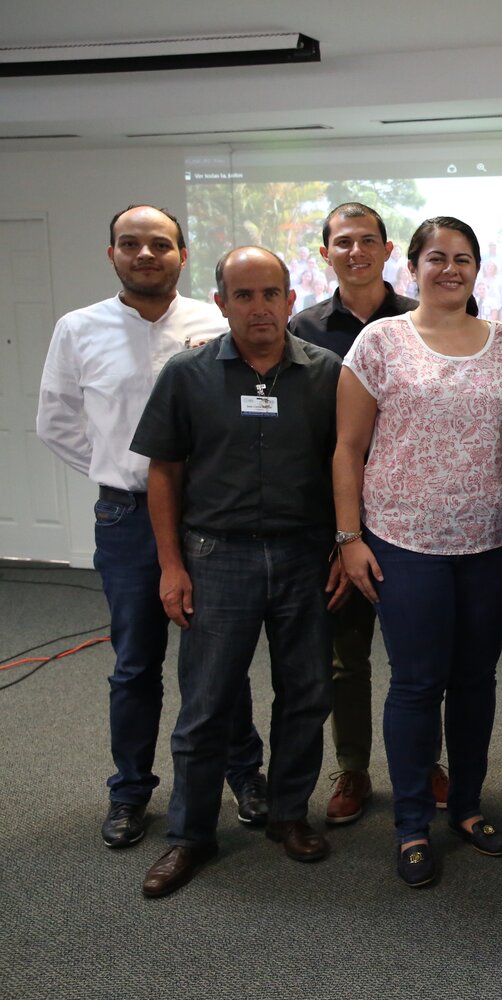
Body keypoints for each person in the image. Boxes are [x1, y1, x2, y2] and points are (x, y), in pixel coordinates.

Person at [36, 204, 266, 849]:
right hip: (128, 518)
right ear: (111, 254)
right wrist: (118, 468)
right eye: (130, 244)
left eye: (159, 244)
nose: (145, 254)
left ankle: (245, 774)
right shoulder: (78, 329)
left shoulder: (213, 320)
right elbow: (56, 421)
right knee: (136, 664)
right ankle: (131, 791)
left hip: (212, 516)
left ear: (182, 255)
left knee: (222, 661)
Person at [130, 246, 344, 898]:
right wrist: (171, 565)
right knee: (206, 705)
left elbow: (350, 462)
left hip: (306, 556)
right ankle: (189, 837)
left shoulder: (329, 374)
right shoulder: (187, 374)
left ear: (289, 298)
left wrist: (343, 543)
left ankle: (288, 815)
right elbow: (162, 473)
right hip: (217, 558)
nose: (259, 308)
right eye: (244, 295)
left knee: (307, 695)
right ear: (221, 303)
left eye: (271, 293)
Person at [334, 216, 502, 888]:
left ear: (479, 270)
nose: (451, 269)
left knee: (476, 681)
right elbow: (348, 449)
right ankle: (413, 820)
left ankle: (468, 808)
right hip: (403, 542)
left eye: (464, 259)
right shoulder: (379, 342)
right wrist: (349, 537)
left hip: (492, 542)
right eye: (437, 257)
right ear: (411, 265)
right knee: (417, 685)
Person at [289, 202, 452, 827]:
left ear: (389, 252)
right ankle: (352, 766)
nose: (355, 252)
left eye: (367, 242)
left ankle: (425, 762)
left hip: (413, 527)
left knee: (423, 657)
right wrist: (339, 534)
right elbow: (314, 441)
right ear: (325, 252)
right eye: (342, 242)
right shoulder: (300, 329)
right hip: (340, 526)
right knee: (344, 658)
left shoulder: (424, 320)